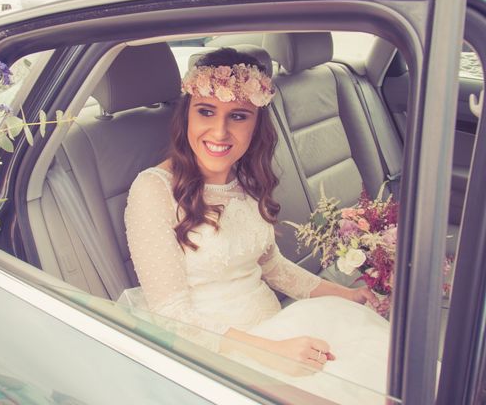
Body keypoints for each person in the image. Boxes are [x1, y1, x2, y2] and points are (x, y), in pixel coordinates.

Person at [124, 47, 391, 403]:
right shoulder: (153, 190)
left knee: (384, 369)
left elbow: (272, 267)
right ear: (186, 115)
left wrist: (347, 295)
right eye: (206, 112)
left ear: (256, 122)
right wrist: (269, 351)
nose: (219, 131)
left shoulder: (247, 179)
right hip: (214, 353)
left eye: (238, 116)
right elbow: (172, 316)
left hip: (277, 328)